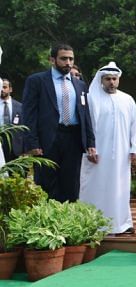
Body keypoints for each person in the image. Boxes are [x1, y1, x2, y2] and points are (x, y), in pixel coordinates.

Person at [22, 43, 98, 202]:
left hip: (73, 139)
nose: (68, 63)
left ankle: (67, 222)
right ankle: (46, 223)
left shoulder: (80, 84)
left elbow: (85, 115)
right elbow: (29, 115)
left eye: (71, 59)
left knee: (71, 185)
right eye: (64, 59)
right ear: (52, 60)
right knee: (46, 185)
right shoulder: (37, 81)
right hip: (47, 140)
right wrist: (33, 143)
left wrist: (90, 141)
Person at [79, 62, 136, 234]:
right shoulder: (92, 98)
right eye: (107, 79)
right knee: (96, 187)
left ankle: (121, 224)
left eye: (114, 79)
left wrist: (135, 148)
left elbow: (135, 125)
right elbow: (86, 126)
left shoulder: (127, 99)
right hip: (97, 153)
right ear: (101, 80)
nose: (111, 82)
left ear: (118, 80)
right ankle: (93, 223)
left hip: (121, 154)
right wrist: (89, 148)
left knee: (120, 187)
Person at [1, 78, 24, 162]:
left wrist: (26, 149)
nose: (2, 90)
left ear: (10, 89)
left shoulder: (20, 107)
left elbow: (24, 129)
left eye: (4, 87)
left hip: (16, 148)